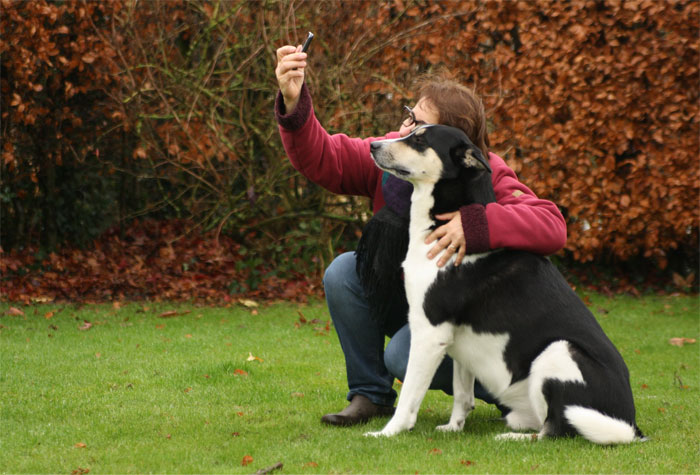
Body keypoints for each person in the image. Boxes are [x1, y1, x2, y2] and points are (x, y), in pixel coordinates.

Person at [274, 44, 567, 426]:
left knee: (400, 354)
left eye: (418, 126)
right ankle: (371, 395)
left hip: (465, 317)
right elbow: (326, 157)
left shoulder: (484, 172)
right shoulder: (392, 156)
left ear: (450, 143)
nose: (405, 129)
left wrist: (477, 223)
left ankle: (509, 392)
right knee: (344, 273)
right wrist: (294, 101)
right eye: (409, 117)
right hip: (411, 297)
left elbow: (550, 225)